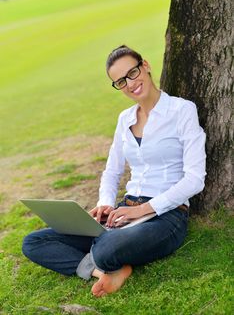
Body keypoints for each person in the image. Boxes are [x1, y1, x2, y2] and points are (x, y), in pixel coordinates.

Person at [22, 45, 206, 298]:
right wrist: (105, 204)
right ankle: (104, 272)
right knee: (33, 242)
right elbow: (112, 171)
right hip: (122, 213)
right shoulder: (125, 118)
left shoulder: (182, 110)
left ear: (146, 66)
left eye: (132, 73)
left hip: (166, 216)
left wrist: (141, 210)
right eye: (120, 81)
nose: (130, 84)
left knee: (107, 247)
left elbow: (195, 180)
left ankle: (104, 256)